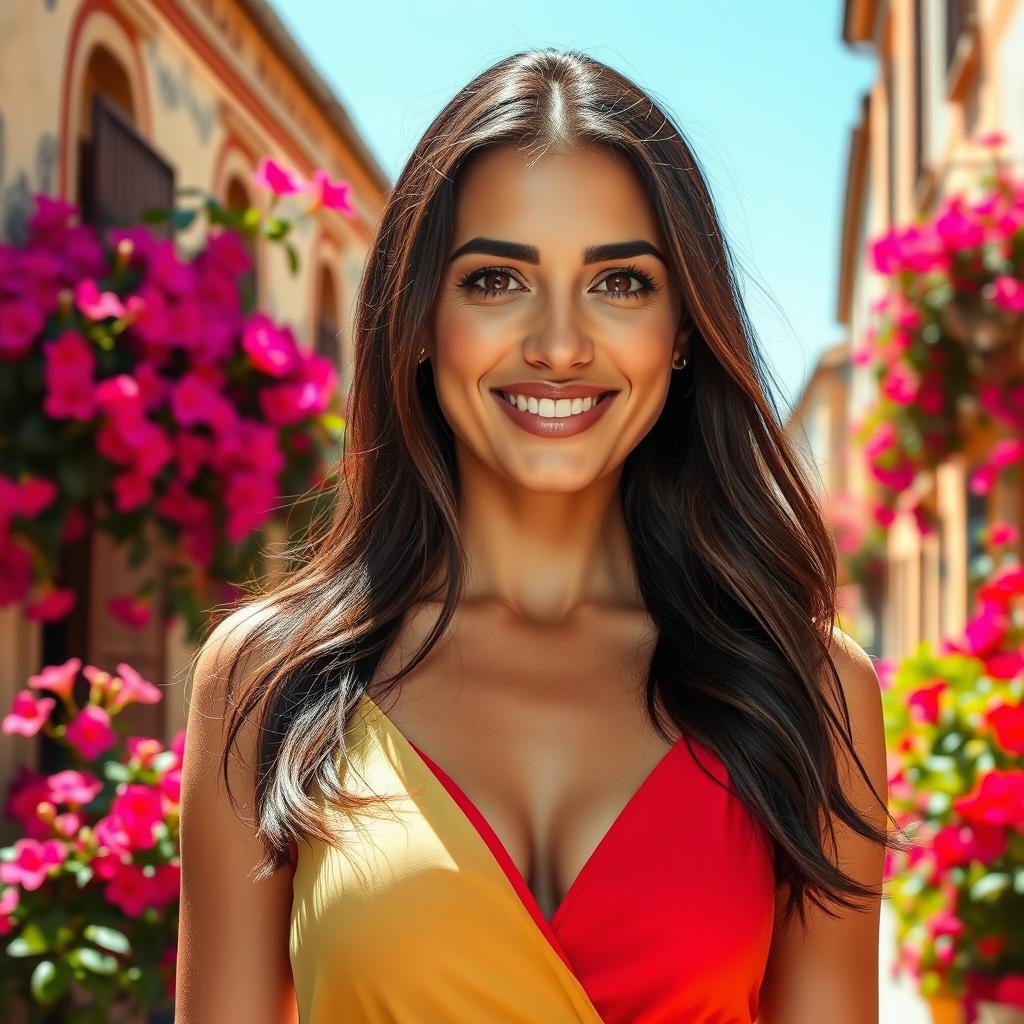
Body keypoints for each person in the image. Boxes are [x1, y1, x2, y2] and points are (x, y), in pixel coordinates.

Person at [175, 48, 903, 1024]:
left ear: (682, 330)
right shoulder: (269, 679)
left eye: (620, 284)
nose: (559, 343)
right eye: (493, 280)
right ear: (421, 317)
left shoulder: (809, 690)